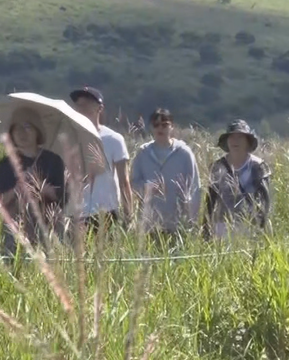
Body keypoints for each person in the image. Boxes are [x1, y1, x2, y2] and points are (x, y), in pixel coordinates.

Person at [0, 107, 67, 256]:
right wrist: (18, 189)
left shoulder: (53, 161)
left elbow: (64, 197)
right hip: (15, 230)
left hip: (48, 228)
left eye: (27, 127)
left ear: (37, 131)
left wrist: (43, 189)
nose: (22, 132)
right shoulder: (5, 165)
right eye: (17, 128)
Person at [129, 108, 201, 247]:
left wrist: (193, 218)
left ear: (172, 127)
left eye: (164, 124)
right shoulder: (143, 153)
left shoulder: (184, 153)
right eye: (156, 125)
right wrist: (147, 187)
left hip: (178, 220)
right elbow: (134, 182)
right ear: (151, 127)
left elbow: (194, 186)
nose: (160, 128)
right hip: (150, 221)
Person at [69, 86, 133, 235]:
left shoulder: (114, 139)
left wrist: (128, 215)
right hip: (75, 214)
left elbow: (124, 182)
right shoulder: (68, 138)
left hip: (106, 213)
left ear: (100, 108)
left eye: (86, 103)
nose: (81, 107)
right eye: (78, 104)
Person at [203, 119, 271, 240]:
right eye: (232, 137)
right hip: (222, 228)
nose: (235, 141)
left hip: (250, 227)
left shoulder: (258, 167)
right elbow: (210, 202)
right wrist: (206, 230)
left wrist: (262, 228)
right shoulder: (217, 167)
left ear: (247, 141)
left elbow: (265, 201)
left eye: (240, 137)